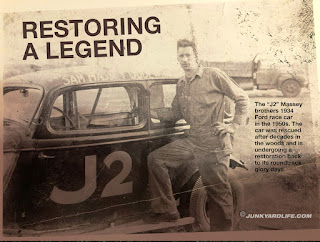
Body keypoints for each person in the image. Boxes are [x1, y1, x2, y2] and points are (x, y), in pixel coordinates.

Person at [146, 39, 249, 231]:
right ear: (177, 59)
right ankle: (169, 211)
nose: (184, 60)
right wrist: (147, 112)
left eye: (188, 56)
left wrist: (233, 125)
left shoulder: (213, 75)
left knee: (218, 195)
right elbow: (175, 113)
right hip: (193, 140)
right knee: (156, 159)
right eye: (181, 56)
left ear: (196, 57)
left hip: (214, 144)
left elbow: (242, 98)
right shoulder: (181, 83)